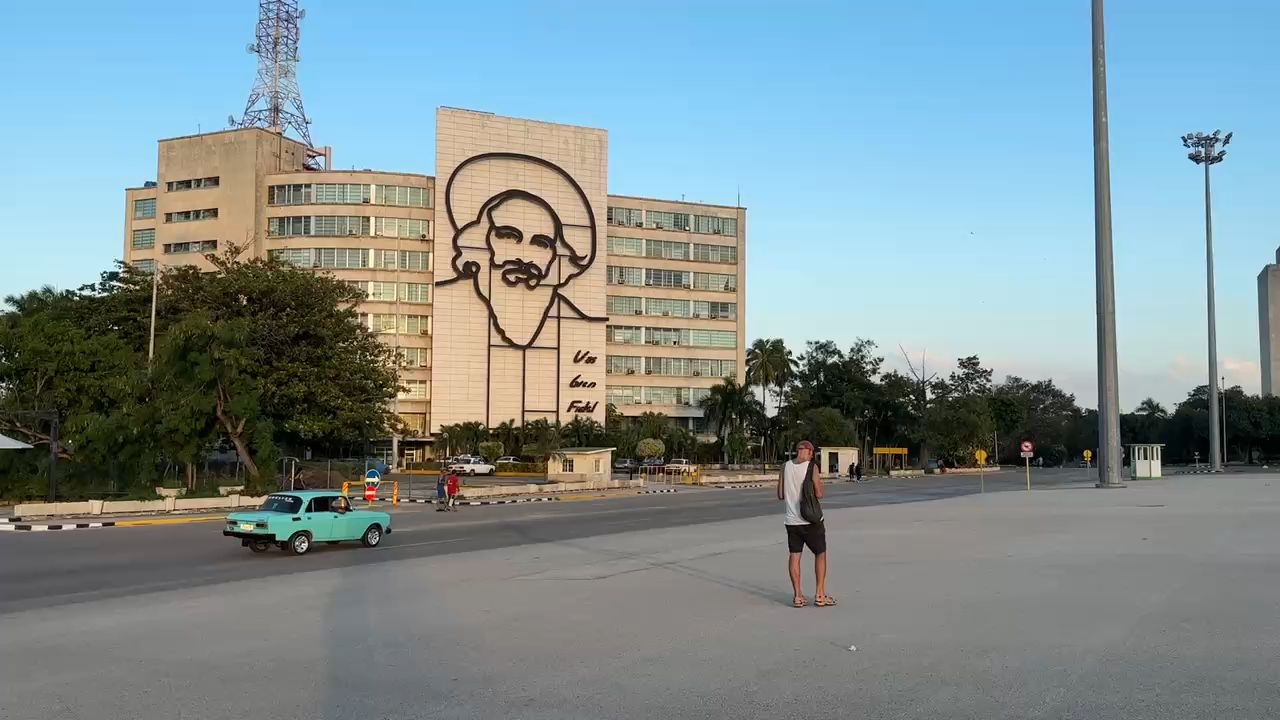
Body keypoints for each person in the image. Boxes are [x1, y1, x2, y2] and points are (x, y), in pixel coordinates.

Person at [778, 440, 834, 608]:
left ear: (797, 450)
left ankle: (797, 596)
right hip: (810, 520)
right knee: (820, 554)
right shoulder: (812, 467)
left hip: (791, 521)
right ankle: (819, 594)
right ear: (809, 452)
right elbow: (819, 493)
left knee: (795, 555)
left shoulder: (784, 466)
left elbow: (781, 494)